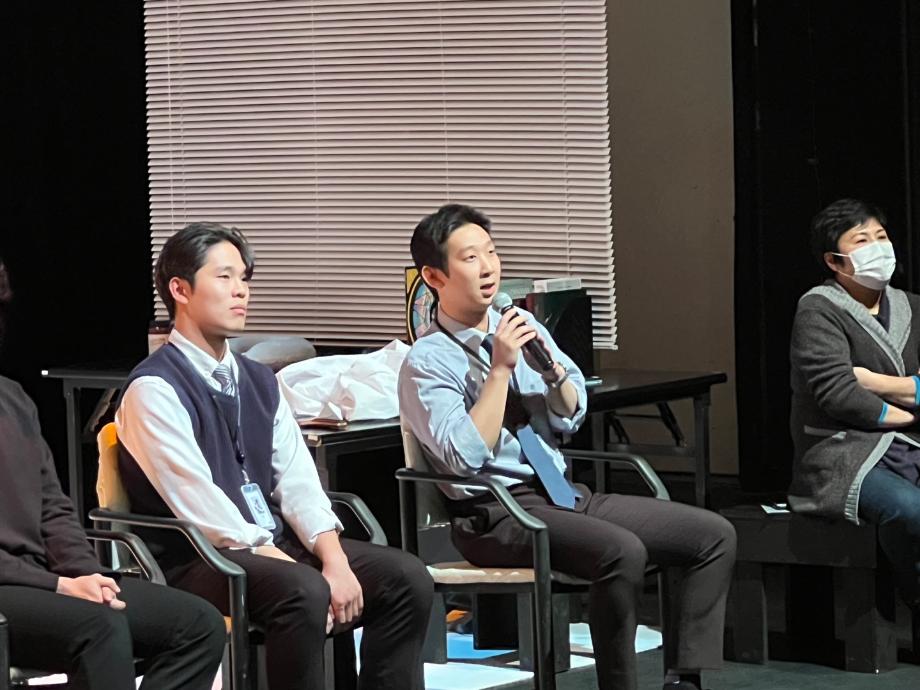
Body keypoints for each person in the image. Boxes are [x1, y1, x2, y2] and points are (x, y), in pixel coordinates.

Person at [398, 204, 737, 690]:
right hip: (496, 514)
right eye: (470, 258)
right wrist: (500, 370)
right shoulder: (428, 361)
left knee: (712, 535)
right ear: (434, 276)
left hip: (562, 493)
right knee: (621, 551)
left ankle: (683, 680)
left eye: (491, 253)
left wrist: (551, 371)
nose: (488, 267)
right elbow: (464, 456)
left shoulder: (518, 323)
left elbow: (572, 413)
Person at [115, 222, 433, 690]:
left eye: (244, 278)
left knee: (406, 577)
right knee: (302, 590)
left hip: (271, 546)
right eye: (224, 277)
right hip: (200, 558)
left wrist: (334, 559)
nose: (240, 291)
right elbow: (201, 507)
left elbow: (299, 481)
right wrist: (292, 564)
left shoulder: (260, 380)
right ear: (180, 290)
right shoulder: (154, 389)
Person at [0, 257, 226, 690]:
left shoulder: (13, 399)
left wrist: (85, 573)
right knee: (100, 628)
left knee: (198, 625)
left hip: (42, 579)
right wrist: (57, 585)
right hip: (13, 586)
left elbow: (53, 508)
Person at [789, 198, 920, 605]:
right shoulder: (819, 310)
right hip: (842, 449)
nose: (877, 247)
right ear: (834, 260)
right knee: (908, 508)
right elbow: (838, 393)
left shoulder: (911, 306)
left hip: (909, 443)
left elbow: (855, 383)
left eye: (881, 236)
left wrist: (872, 381)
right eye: (862, 240)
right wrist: (909, 409)